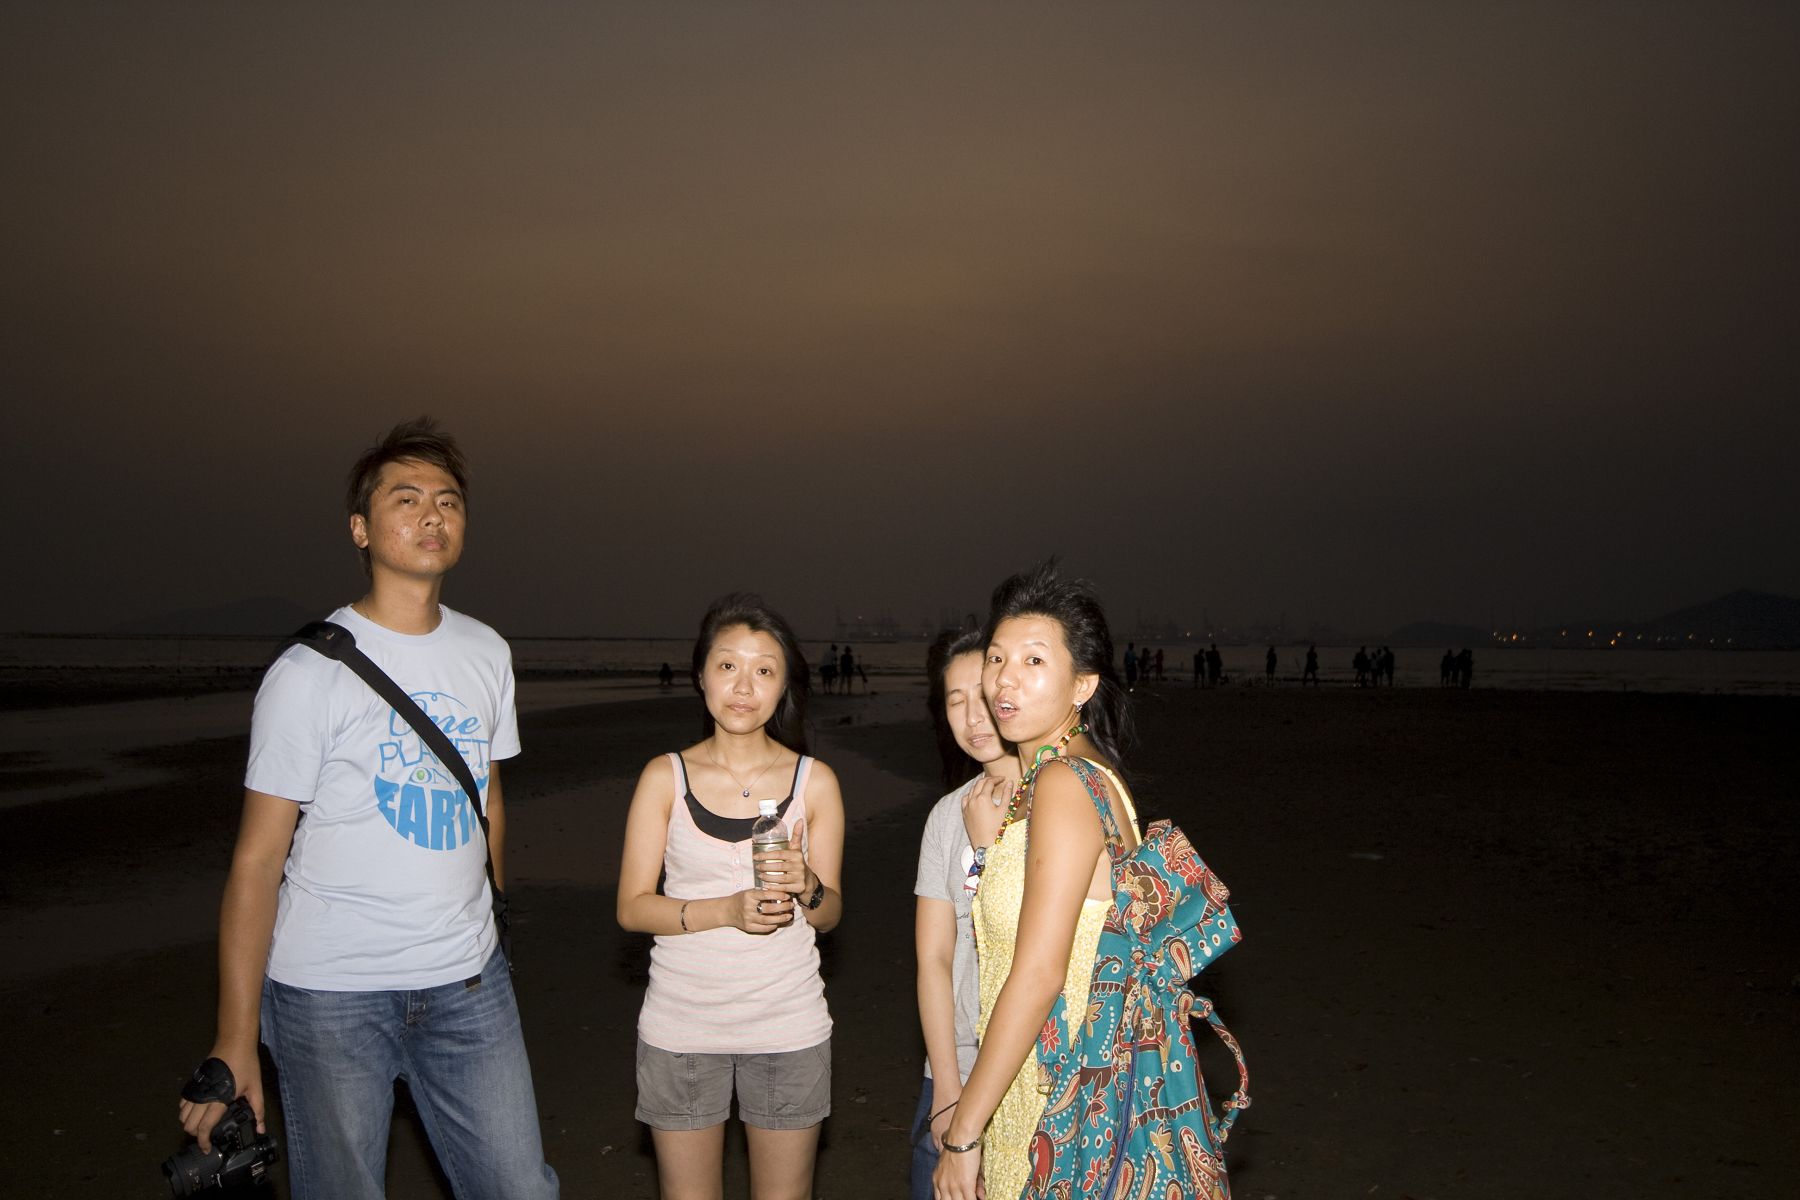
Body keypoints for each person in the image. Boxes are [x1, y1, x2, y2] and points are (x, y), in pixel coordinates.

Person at [176, 418, 558, 1199]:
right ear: (360, 528)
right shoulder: (306, 673)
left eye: (448, 501)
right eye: (406, 499)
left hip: (468, 983)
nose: (431, 515)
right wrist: (235, 1037)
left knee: (520, 1187)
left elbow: (488, 799)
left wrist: (491, 919)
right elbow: (257, 861)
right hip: (331, 996)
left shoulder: (487, 652)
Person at [617, 595, 844, 1200]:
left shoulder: (815, 782)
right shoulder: (664, 777)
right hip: (682, 1029)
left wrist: (808, 884)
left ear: (784, 686)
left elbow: (829, 915)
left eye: (764, 670)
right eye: (727, 666)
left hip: (788, 1026)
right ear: (701, 676)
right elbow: (632, 907)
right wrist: (726, 911)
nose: (744, 687)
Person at [933, 562, 1143, 1200]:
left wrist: (962, 1133)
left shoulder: (1063, 783)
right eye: (997, 658)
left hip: (1056, 1099)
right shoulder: (1060, 779)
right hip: (1042, 1085)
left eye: (1033, 660)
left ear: (1083, 684)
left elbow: (1038, 972)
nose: (1005, 679)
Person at [911, 629, 1015, 1200]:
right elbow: (934, 958)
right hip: (952, 1067)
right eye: (956, 701)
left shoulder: (1060, 801)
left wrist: (990, 849)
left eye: (984, 694)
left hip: (1036, 1073)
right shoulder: (946, 815)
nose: (974, 716)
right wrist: (947, 1089)